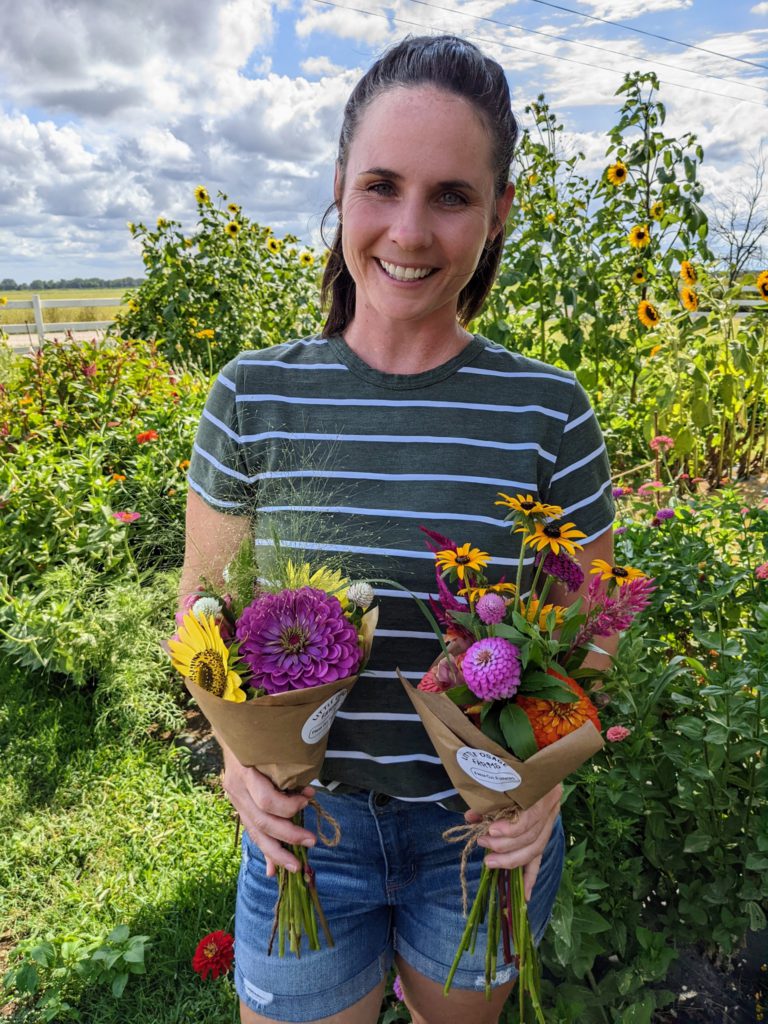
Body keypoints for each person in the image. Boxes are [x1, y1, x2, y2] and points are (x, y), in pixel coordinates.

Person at [180, 34, 615, 1024]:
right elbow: (200, 619)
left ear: (500, 211)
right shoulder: (254, 397)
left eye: (453, 196)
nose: (410, 231)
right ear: (340, 185)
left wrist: (541, 787)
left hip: (474, 841)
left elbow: (591, 633)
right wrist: (239, 769)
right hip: (307, 835)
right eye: (381, 185)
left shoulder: (548, 411)